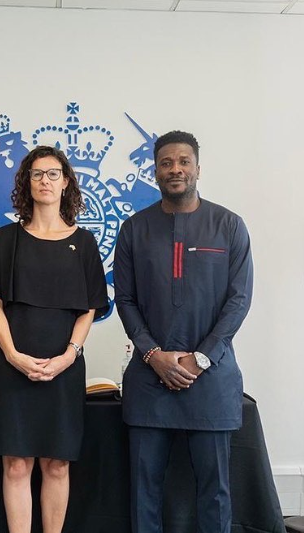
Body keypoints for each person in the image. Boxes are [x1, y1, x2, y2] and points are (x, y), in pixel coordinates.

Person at [114, 130, 253, 533]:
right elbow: (125, 300)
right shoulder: (134, 229)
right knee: (144, 491)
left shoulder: (228, 225)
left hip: (210, 380)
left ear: (197, 168)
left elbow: (238, 301)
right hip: (148, 380)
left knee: (215, 491)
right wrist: (153, 355)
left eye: (183, 162)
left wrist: (202, 356)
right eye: (166, 163)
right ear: (155, 170)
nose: (175, 169)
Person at [0, 145, 108, 533]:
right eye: (37, 174)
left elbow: (88, 309)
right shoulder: (5, 238)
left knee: (57, 463)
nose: (45, 181)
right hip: (11, 367)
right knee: (16, 463)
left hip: (63, 368)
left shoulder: (83, 243)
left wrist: (70, 355)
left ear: (66, 182)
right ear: (26, 183)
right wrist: (14, 355)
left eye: (53, 174)